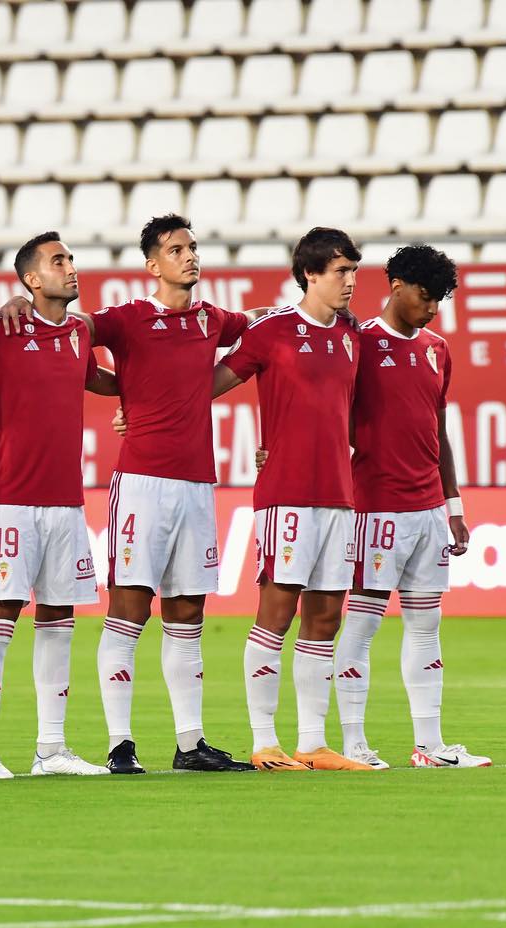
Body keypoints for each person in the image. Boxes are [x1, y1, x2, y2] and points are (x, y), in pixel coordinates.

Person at [9, 214, 258, 774]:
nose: (190, 256)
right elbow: (63, 332)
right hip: (142, 484)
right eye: (176, 249)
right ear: (153, 265)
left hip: (198, 485)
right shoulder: (125, 320)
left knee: (188, 614)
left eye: (193, 247)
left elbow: (261, 327)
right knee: (128, 611)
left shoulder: (213, 320)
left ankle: (190, 743)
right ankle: (120, 743)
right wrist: (17, 306)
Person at [214, 227, 372, 772]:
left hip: (339, 495)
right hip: (287, 496)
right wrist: (144, 409)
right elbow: (208, 385)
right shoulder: (272, 331)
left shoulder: (352, 336)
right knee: (276, 614)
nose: (350, 281)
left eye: (353, 270)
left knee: (325, 617)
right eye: (340, 271)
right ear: (309, 273)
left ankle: (313, 742)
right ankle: (264, 742)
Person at [0, 232, 120, 778]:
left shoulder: (79, 333)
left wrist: (144, 393)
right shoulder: (1, 328)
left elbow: (93, 378)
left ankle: (51, 749)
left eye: (71, 259)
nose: (71, 268)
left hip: (66, 502)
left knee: (59, 616)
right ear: (32, 279)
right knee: (2, 611)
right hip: (11, 500)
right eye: (59, 261)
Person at [335, 244, 488, 769]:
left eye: (441, 299)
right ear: (397, 284)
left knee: (427, 627)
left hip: (428, 511)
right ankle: (354, 743)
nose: (433, 308)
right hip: (375, 507)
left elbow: (437, 429)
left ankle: (430, 746)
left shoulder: (437, 349)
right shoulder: (358, 343)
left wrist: (453, 504)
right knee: (362, 625)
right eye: (426, 296)